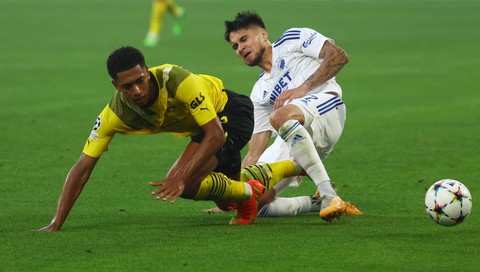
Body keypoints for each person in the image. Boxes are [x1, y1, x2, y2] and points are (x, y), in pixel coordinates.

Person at [38, 46, 268, 231]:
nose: (137, 90)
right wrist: (56, 222)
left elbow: (216, 135)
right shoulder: (115, 115)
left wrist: (181, 178)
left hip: (231, 113)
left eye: (140, 80)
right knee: (226, 204)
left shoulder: (176, 80)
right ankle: (284, 171)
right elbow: (83, 167)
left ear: (147, 71)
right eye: (127, 86)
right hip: (204, 130)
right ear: (116, 86)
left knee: (184, 183)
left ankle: (250, 191)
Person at [224, 11, 361, 222]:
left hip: (327, 109)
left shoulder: (292, 39)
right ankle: (315, 202)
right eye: (235, 46)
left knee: (280, 116)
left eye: (244, 39)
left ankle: (328, 194)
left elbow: (339, 56)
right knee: (253, 201)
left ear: (262, 34)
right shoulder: (259, 92)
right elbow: (255, 152)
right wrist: (233, 191)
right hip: (295, 136)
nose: (240, 48)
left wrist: (303, 88)